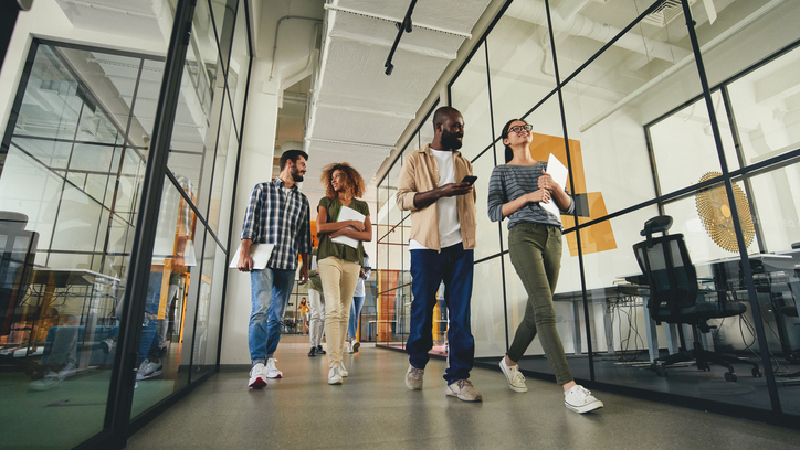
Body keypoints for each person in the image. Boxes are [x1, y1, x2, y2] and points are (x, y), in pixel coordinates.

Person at [487, 119, 603, 414]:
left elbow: (571, 207)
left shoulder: (549, 168)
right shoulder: (502, 171)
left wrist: (554, 187)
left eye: (526, 126)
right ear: (506, 141)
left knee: (535, 313)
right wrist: (528, 197)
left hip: (553, 235)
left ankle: (510, 361)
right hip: (523, 234)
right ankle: (570, 388)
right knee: (545, 310)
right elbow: (493, 211)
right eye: (515, 128)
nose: (523, 129)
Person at [396, 106, 481, 402]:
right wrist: (439, 192)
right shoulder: (414, 159)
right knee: (423, 307)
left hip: (460, 246)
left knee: (461, 312)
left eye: (462, 126)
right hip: (425, 246)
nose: (460, 130)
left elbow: (470, 203)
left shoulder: (465, 163)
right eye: (455, 126)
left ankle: (458, 377)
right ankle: (417, 364)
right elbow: (403, 199)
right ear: (438, 127)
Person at [239, 149, 311, 388]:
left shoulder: (302, 200)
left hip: (289, 262)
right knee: (260, 310)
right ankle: (257, 364)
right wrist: (244, 253)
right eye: (301, 164)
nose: (304, 169)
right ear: (288, 163)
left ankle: (269, 358)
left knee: (278, 318)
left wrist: (305, 266)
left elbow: (304, 237)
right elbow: (250, 222)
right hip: (264, 261)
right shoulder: (262, 189)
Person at [315, 162, 371, 385]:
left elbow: (367, 236)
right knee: (333, 308)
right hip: (328, 256)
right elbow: (320, 228)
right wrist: (348, 224)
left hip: (352, 260)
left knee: (345, 311)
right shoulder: (325, 202)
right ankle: (334, 365)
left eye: (337, 176)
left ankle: (340, 362)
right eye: (332, 178)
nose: (333, 180)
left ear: (350, 179)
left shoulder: (362, 206)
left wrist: (337, 230)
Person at [347, 253, 371, 353]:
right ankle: (353, 339)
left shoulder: (365, 258)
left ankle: (350, 344)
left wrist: (364, 274)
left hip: (360, 292)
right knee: (351, 315)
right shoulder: (347, 255)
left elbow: (368, 274)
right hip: (348, 290)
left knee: (356, 317)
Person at [307, 247, 327, 356]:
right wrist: (315, 271)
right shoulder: (313, 252)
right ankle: (312, 346)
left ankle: (319, 344)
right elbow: (303, 272)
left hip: (326, 287)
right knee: (315, 314)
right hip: (313, 285)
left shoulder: (330, 252)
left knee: (323, 317)